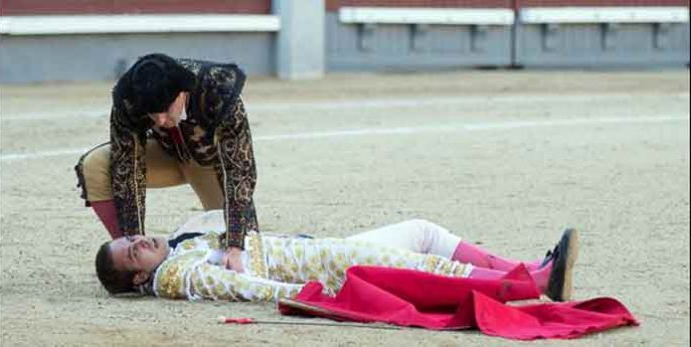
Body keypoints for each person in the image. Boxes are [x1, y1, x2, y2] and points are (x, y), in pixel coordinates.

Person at [95, 211, 579, 302]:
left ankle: (528, 270)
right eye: (132, 254)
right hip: (321, 270)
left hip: (320, 252)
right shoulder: (179, 275)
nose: (139, 242)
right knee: (423, 265)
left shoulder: (184, 244)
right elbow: (239, 285)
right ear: (139, 281)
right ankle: (535, 286)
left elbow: (225, 214)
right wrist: (301, 295)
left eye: (131, 238)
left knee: (420, 232)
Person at [75, 53, 257, 272]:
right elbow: (127, 168)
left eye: (165, 109)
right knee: (95, 166)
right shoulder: (131, 96)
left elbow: (240, 169)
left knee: (247, 257)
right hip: (166, 155)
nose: (160, 120)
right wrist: (137, 245)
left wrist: (235, 245)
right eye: (153, 113)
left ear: (182, 93)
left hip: (210, 166)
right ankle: (138, 265)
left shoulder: (217, 90)